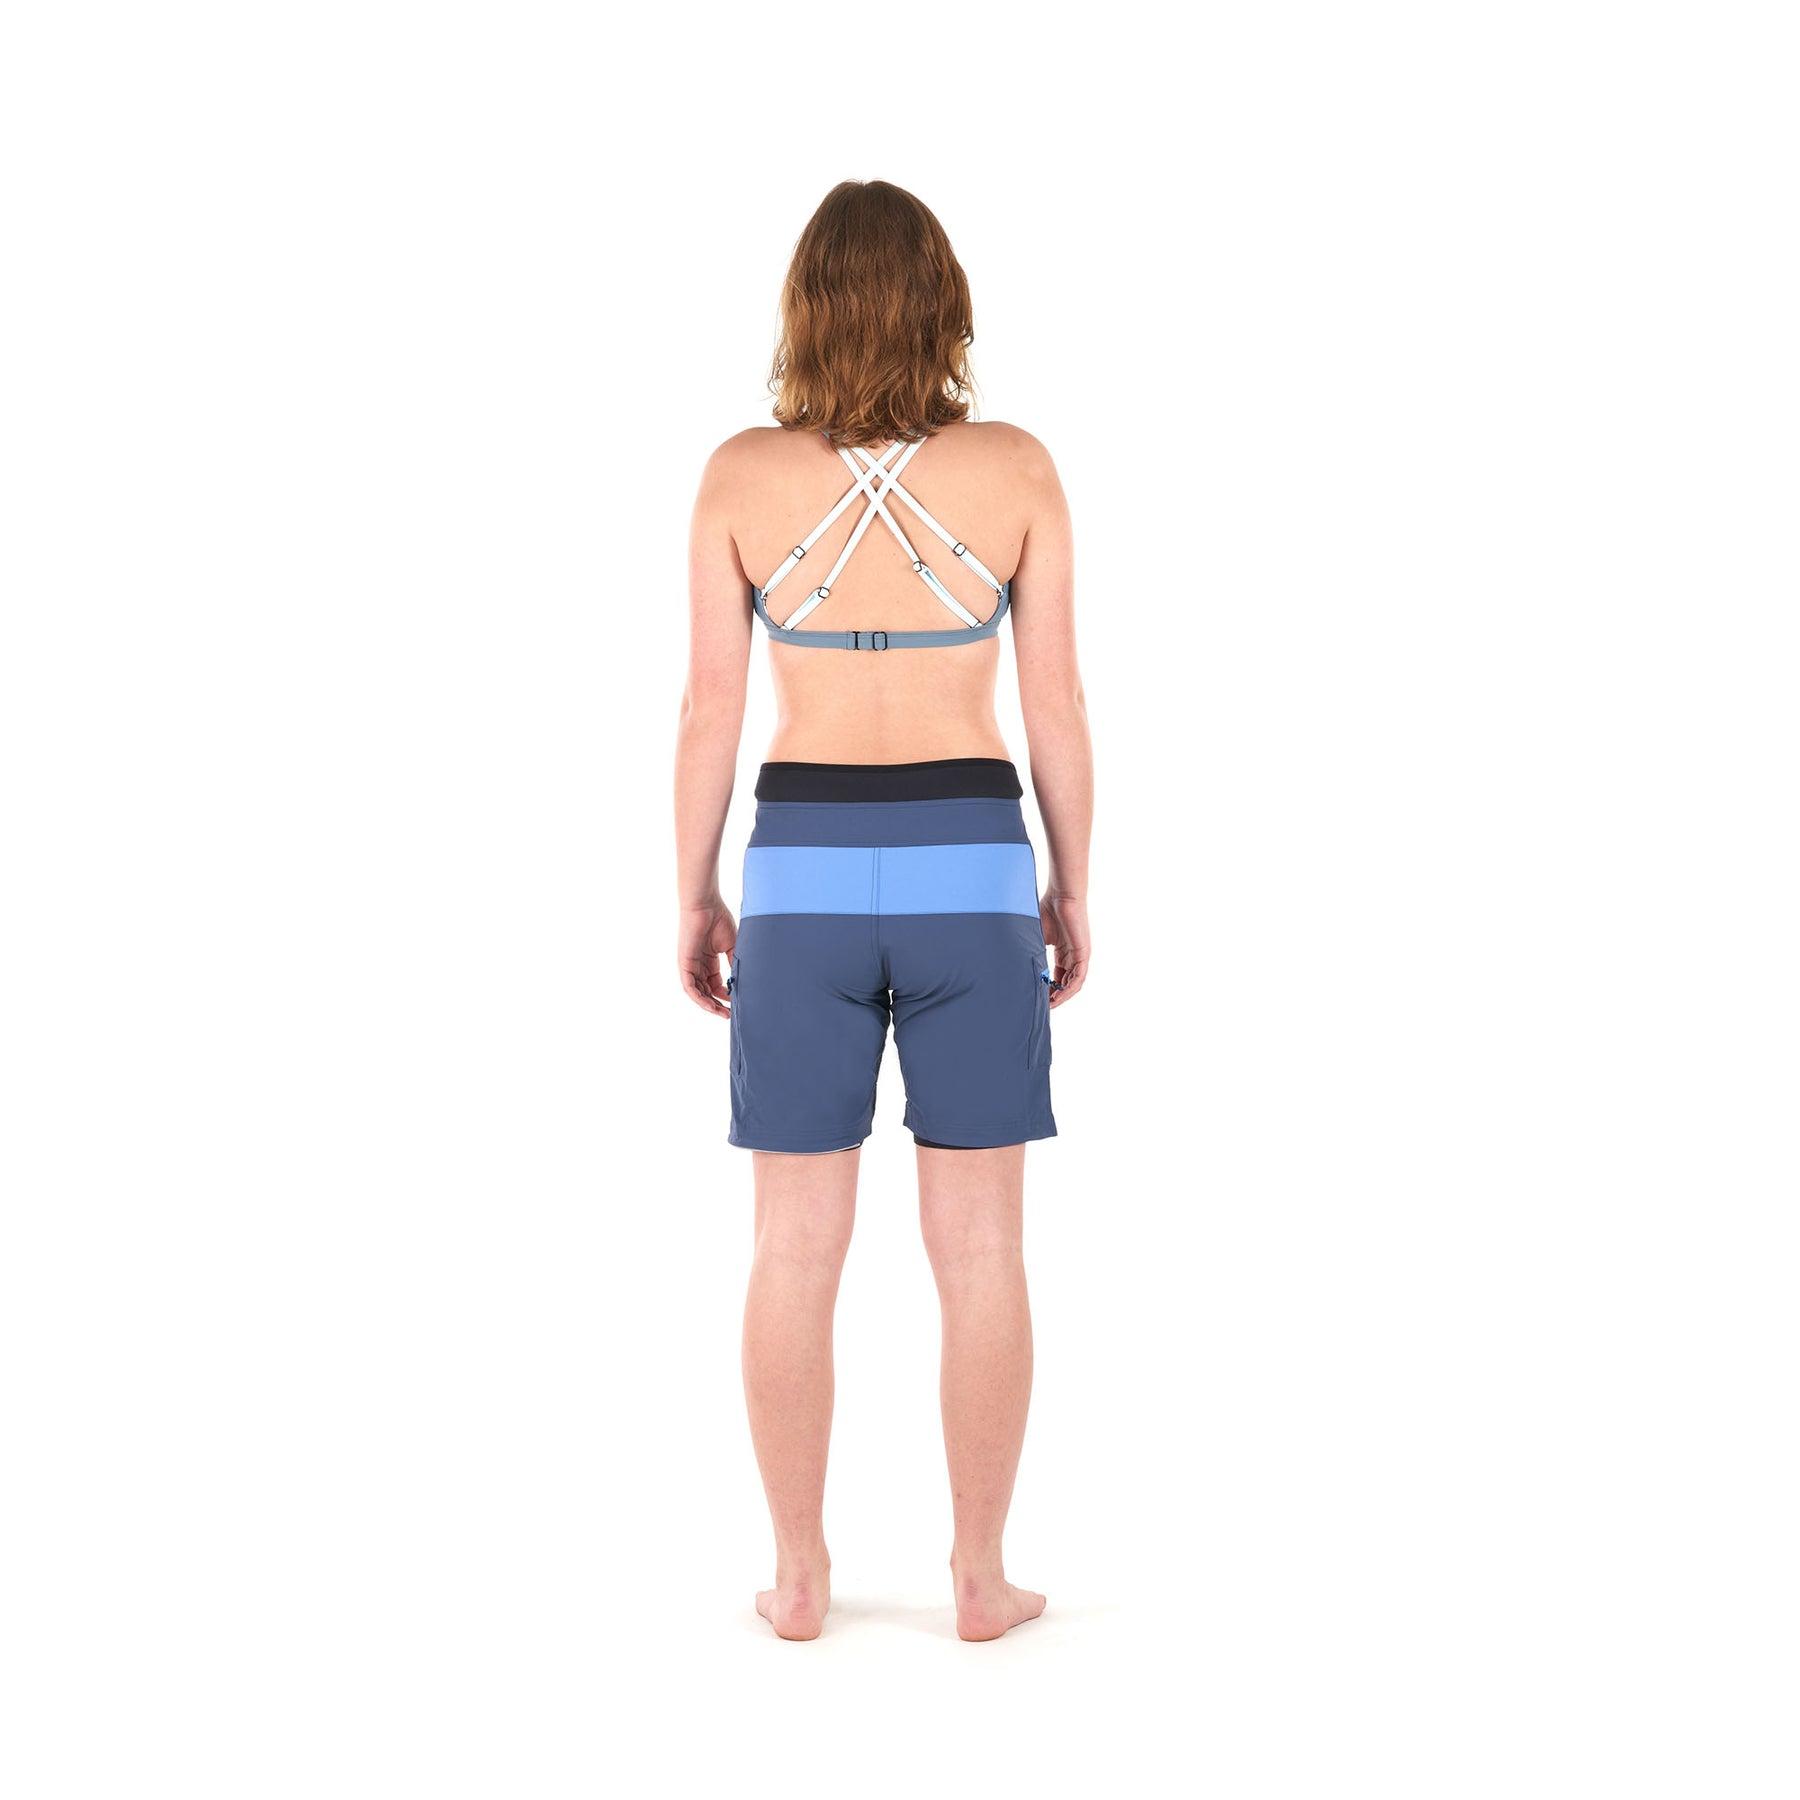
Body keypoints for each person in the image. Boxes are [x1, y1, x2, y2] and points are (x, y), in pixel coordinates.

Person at [674, 180, 1093, 1641]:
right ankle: (979, 1578)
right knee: (981, 1251)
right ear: (943, 302)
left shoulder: (739, 479)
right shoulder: (1017, 470)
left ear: (806, 306)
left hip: (797, 877)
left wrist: (694, 892)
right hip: (972, 869)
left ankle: (799, 1577)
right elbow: (1057, 707)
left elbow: (709, 712)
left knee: (793, 1249)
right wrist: (1072, 884)